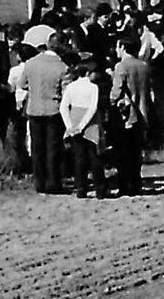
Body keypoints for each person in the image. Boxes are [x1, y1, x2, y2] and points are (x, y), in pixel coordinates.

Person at [21, 25, 69, 194]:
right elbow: (66, 91)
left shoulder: (30, 63)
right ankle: (53, 182)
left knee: (37, 147)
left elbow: (22, 84)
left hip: (34, 109)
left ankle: (39, 182)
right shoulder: (62, 68)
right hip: (53, 110)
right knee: (53, 148)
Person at [110, 34, 151, 196]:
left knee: (122, 153)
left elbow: (116, 91)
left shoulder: (121, 66)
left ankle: (125, 185)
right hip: (142, 112)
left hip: (125, 115)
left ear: (123, 48)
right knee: (135, 152)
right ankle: (136, 184)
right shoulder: (144, 65)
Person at [59, 59, 106, 198]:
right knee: (95, 158)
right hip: (90, 124)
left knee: (79, 158)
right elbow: (93, 108)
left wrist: (70, 126)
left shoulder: (71, 87)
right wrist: (83, 125)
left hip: (74, 120)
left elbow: (63, 108)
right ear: (88, 73)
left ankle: (81, 188)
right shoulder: (93, 87)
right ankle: (100, 189)